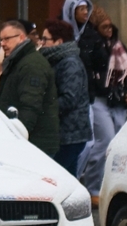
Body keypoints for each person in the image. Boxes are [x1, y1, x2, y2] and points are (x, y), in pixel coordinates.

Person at [78, 7, 127, 204]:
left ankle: (110, 184)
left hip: (117, 97)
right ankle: (94, 187)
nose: (109, 29)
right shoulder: (91, 44)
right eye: (104, 26)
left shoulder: (116, 44)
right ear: (96, 27)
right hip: (100, 98)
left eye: (110, 26)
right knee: (105, 140)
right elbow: (93, 69)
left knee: (118, 141)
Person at [0, 20, 61, 157]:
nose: (2, 44)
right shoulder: (18, 61)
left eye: (7, 39)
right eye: (1, 39)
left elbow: (30, 106)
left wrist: (18, 137)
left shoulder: (31, 65)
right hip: (30, 141)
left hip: (35, 143)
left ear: (21, 37)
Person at [39, 20, 93, 175]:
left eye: (45, 39)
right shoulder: (58, 60)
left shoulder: (69, 63)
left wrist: (44, 110)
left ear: (59, 41)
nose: (42, 43)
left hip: (71, 135)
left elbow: (69, 99)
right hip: (66, 133)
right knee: (67, 177)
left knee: (57, 176)